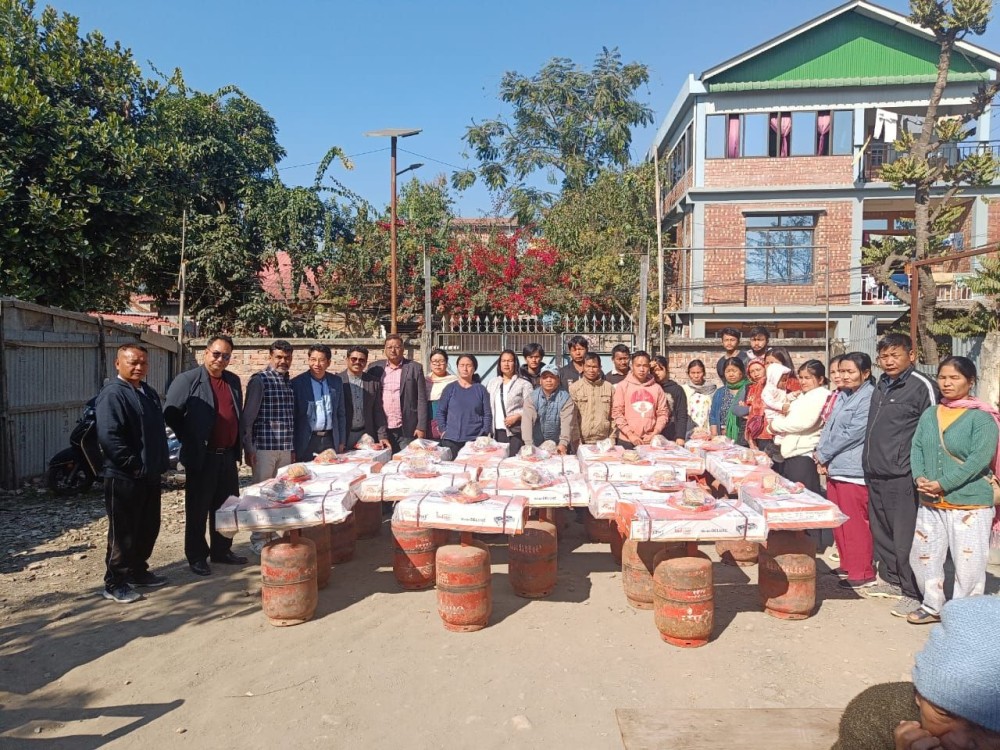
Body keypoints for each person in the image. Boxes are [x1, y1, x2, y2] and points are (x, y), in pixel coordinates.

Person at [830, 596, 1000, 750]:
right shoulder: (875, 717)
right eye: (944, 714)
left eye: (988, 728)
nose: (960, 742)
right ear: (918, 695)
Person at [907, 356, 999, 625]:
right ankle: (932, 604)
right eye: (943, 377)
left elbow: (978, 460)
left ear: (970, 382)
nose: (947, 383)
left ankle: (964, 614)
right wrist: (920, 478)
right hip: (931, 500)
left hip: (970, 502)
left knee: (968, 562)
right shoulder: (930, 413)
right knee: (924, 555)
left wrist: (943, 483)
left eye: (954, 378)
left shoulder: (982, 418)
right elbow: (918, 448)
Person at [862, 333, 939, 619]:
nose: (889, 361)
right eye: (884, 357)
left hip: (903, 475)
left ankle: (913, 592)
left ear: (911, 355)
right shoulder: (881, 384)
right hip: (875, 470)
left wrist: (924, 473)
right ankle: (894, 581)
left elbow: (933, 431)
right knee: (882, 533)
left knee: (906, 537)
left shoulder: (922, 387)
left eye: (895, 355)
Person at [165, 335, 248, 577]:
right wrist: (189, 436)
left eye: (226, 356)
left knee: (225, 508)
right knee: (198, 509)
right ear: (206, 353)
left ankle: (222, 550)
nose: (220, 360)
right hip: (202, 456)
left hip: (227, 456)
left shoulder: (232, 381)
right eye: (216, 354)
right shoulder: (188, 380)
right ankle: (197, 556)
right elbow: (171, 414)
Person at [96, 343, 170, 603]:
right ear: (118, 364)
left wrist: (159, 464)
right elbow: (109, 436)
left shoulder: (147, 392)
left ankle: (139, 570)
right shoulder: (113, 394)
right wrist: (133, 465)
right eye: (132, 362)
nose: (139, 367)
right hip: (124, 476)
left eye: (143, 363)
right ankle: (115, 582)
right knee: (123, 533)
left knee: (148, 527)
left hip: (149, 475)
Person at [815, 352, 877, 591]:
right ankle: (847, 564)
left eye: (850, 372)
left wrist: (824, 454)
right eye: (841, 371)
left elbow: (853, 433)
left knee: (855, 523)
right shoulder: (843, 395)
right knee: (839, 521)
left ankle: (862, 571)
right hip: (834, 467)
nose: (844, 376)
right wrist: (821, 454)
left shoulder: (868, 397)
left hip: (853, 469)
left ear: (865, 373)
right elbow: (829, 426)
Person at [240, 340, 295, 556]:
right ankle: (258, 538)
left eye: (287, 357)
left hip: (285, 447)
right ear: (270, 356)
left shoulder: (287, 381)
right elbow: (248, 419)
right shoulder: (259, 380)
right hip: (263, 448)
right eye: (279, 357)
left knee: (280, 495)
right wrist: (249, 448)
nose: (283, 361)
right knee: (261, 494)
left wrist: (291, 449)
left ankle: (271, 535)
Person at [768, 360, 830, 495]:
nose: (803, 381)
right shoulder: (802, 395)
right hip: (791, 451)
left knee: (805, 497)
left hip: (803, 452)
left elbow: (803, 422)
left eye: (808, 378)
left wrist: (774, 426)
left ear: (820, 379)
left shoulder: (821, 395)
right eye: (800, 377)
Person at [369, 334, 428, 453]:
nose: (393, 350)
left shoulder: (414, 368)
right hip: (381, 428)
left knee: (407, 461)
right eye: (389, 347)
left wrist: (421, 426)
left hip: (407, 427)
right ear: (384, 349)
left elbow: (421, 399)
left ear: (403, 349)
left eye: (396, 347)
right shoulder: (374, 368)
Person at [290, 344, 346, 460]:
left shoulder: (336, 382)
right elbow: (293, 418)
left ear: (328, 362)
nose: (317, 364)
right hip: (307, 440)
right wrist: (292, 448)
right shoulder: (297, 383)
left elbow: (340, 414)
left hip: (330, 439)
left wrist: (341, 440)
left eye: (321, 360)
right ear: (308, 360)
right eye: (313, 360)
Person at [435, 354, 492, 457]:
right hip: (451, 440)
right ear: (457, 368)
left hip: (474, 441)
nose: (465, 368)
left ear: (474, 368)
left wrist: (483, 433)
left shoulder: (481, 390)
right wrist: (443, 430)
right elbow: (440, 412)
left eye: (468, 365)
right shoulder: (450, 388)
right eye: (462, 365)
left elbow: (487, 414)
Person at [612, 351, 669, 448]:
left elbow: (663, 413)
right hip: (627, 440)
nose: (641, 369)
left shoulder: (657, 388)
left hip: (650, 441)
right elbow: (617, 413)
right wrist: (630, 434)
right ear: (632, 366)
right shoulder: (622, 386)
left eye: (645, 366)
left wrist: (655, 433)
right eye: (638, 365)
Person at [338, 345, 389, 451]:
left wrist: (382, 436)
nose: (357, 362)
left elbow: (378, 411)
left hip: (366, 435)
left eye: (361, 360)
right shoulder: (337, 381)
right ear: (347, 360)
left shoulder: (373, 382)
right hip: (344, 436)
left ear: (366, 362)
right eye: (354, 359)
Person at [522, 364, 578, 455]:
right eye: (545, 377)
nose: (548, 380)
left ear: (558, 380)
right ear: (540, 381)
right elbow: (527, 422)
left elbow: (567, 423)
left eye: (552, 377)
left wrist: (563, 443)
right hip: (536, 443)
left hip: (557, 444)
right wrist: (529, 445)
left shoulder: (566, 399)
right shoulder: (532, 398)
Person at [486, 349, 532, 453]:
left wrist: (518, 416)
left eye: (510, 361)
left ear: (515, 363)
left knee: (513, 464)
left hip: (515, 432)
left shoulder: (524, 384)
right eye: (503, 361)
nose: (506, 364)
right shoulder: (493, 383)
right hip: (496, 432)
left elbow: (532, 409)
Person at [570, 352, 615, 445]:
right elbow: (572, 417)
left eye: (594, 367)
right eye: (588, 366)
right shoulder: (574, 388)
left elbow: (614, 416)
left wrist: (612, 438)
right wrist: (576, 439)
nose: (591, 370)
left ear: (600, 368)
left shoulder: (609, 387)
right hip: (582, 440)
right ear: (582, 367)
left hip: (604, 441)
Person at [709, 357, 750, 446]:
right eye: (728, 371)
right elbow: (713, 416)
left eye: (734, 371)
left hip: (744, 438)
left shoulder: (749, 389)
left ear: (742, 372)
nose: (731, 374)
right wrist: (714, 436)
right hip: (723, 438)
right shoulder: (720, 392)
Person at [650, 355, 688, 445]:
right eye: (653, 371)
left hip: (671, 434)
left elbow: (681, 415)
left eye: (660, 369)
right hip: (651, 434)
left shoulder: (676, 389)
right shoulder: (649, 388)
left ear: (666, 369)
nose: (656, 373)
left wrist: (680, 436)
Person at [425, 348, 458, 439]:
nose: (438, 364)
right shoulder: (425, 381)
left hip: (449, 423)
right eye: (434, 361)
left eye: (441, 361)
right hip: (428, 423)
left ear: (446, 363)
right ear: (430, 363)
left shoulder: (454, 381)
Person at [743, 359, 773, 451]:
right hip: (755, 432)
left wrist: (750, 408)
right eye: (752, 371)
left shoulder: (771, 386)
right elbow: (738, 409)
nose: (755, 374)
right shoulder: (750, 388)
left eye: (758, 370)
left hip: (771, 432)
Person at [682, 359, 716, 437]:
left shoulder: (711, 389)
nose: (696, 376)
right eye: (693, 373)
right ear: (688, 374)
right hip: (688, 430)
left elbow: (714, 412)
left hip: (707, 430)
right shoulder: (683, 389)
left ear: (703, 373)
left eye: (699, 372)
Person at [820, 354, 845, 424]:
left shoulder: (853, 395)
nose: (836, 376)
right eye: (832, 372)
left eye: (840, 371)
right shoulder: (833, 395)